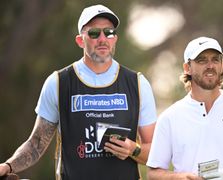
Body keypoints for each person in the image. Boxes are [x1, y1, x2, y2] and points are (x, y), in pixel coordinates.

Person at [0, 4, 157, 180]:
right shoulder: (58, 82)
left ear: (115, 39)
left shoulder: (137, 83)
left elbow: (157, 152)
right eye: (94, 33)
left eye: (109, 32)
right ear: (80, 40)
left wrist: (133, 149)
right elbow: (36, 144)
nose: (103, 39)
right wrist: (8, 165)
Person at [147, 37, 223, 180]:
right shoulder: (169, 118)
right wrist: (179, 178)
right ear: (187, 68)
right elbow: (153, 173)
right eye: (202, 60)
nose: (210, 65)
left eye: (215, 59)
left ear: (222, 64)